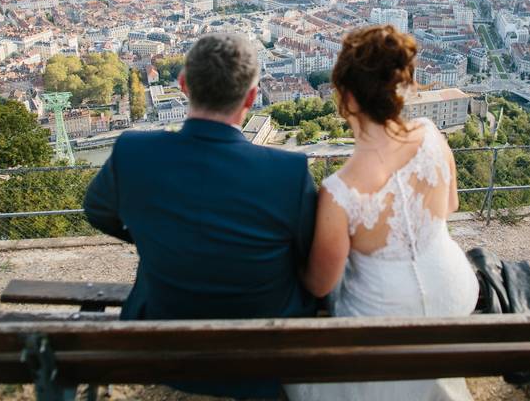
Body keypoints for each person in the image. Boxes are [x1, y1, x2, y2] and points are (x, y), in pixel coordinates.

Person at [83, 32, 318, 400]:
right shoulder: (288, 171)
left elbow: (96, 211)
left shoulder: (133, 151)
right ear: (252, 98)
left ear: (183, 85)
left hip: (162, 346)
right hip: (260, 353)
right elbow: (305, 253)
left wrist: (154, 235)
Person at [286, 25, 480, 401]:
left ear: (347, 97)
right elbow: (451, 206)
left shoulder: (340, 191)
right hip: (453, 293)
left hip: (382, 315)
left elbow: (320, 285)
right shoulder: (431, 135)